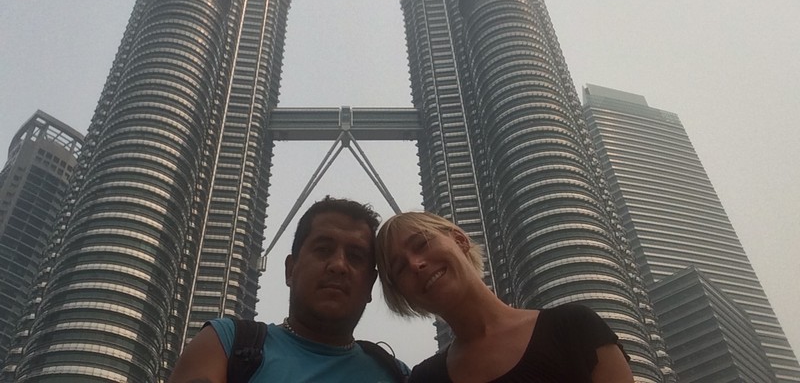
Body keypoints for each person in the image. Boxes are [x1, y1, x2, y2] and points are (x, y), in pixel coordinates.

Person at [169, 196, 409, 383]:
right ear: (290, 269)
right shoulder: (226, 343)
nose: (338, 265)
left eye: (355, 256)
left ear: (370, 285)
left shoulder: (398, 375)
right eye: (323, 249)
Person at [375, 212, 634, 383]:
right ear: (402, 295)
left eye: (422, 243)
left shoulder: (573, 328)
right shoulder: (426, 379)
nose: (415, 264)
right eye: (400, 268)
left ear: (460, 240)